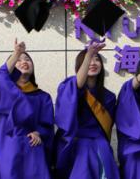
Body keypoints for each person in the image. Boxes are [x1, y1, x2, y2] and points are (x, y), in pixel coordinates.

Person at [0, 39, 54, 179]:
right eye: (18, 60)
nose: (23, 61)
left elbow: (47, 125)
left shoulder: (43, 96)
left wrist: (39, 133)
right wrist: (16, 53)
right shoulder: (5, 91)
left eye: (27, 59)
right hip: (6, 146)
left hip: (31, 148)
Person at [54, 42, 119, 179]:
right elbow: (73, 91)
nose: (93, 63)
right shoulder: (69, 88)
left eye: (97, 59)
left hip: (101, 147)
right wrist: (89, 53)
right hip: (78, 147)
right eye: (88, 60)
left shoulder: (109, 97)